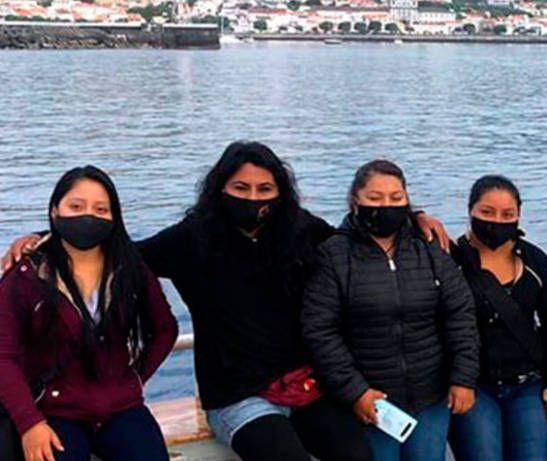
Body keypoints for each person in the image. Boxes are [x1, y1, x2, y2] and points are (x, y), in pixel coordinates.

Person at [1, 142, 451, 461]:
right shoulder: (192, 239)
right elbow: (120, 252)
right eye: (241, 188)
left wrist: (411, 217)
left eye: (264, 190)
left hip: (306, 386)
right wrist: (46, 239)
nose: (253, 199)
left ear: (280, 193)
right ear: (220, 189)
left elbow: (357, 242)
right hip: (236, 395)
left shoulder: (299, 230)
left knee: (356, 453)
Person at [302, 159, 480, 461]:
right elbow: (320, 330)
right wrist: (355, 391)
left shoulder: (429, 247)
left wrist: (463, 377)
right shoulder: (334, 255)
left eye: (396, 197)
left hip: (431, 395)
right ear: (355, 200)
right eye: (375, 198)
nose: (386, 206)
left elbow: (460, 313)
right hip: (372, 401)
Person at [0, 166, 178, 461]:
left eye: (101, 209)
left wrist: (134, 379)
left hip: (120, 408)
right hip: (53, 411)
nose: (88, 216)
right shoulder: (26, 275)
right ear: (55, 211)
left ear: (113, 217)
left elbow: (165, 329)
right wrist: (30, 423)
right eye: (76, 206)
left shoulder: (129, 268)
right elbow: (3, 354)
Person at [446, 175, 547, 461]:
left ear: (518, 216)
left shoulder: (535, 261)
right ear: (470, 211)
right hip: (473, 387)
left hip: (527, 384)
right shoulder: (450, 261)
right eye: (487, 212)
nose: (497, 221)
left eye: (507, 214)